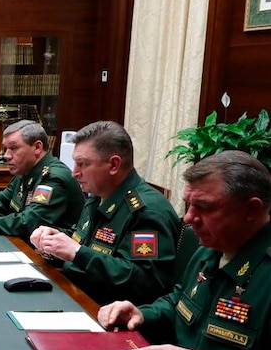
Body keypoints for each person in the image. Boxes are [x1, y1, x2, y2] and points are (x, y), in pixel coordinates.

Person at [95, 150, 271, 350]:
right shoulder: (210, 249)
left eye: (203, 207)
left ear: (251, 209)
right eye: (188, 205)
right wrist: (142, 314)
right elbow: (180, 300)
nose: (188, 218)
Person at [30, 120, 180, 306]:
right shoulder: (98, 197)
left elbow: (145, 281)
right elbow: (85, 242)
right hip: (75, 294)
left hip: (108, 313)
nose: (74, 173)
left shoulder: (146, 211)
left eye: (83, 164)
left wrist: (77, 253)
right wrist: (54, 238)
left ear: (114, 165)